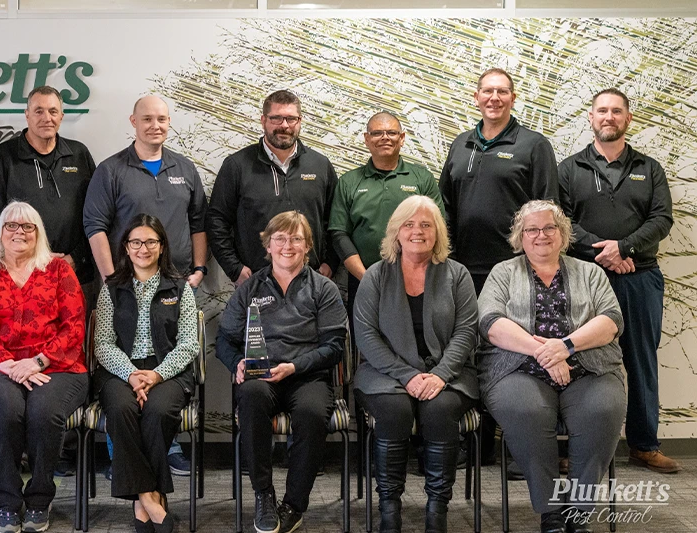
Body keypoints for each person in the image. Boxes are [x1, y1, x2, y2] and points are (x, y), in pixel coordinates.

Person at [478, 200, 626, 533]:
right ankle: (551, 511)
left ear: (563, 233)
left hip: (590, 368)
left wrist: (566, 346)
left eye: (549, 227)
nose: (541, 235)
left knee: (602, 411)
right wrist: (544, 353)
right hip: (517, 369)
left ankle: (580, 511)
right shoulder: (503, 273)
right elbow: (490, 323)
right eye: (532, 229)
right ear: (520, 236)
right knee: (527, 412)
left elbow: (612, 321)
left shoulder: (590, 272)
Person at [438, 68, 558, 469]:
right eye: (487, 91)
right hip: (462, 271)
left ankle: (521, 446)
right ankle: (477, 441)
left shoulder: (533, 145)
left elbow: (547, 210)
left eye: (502, 91)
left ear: (513, 97)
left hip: (515, 271)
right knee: (468, 353)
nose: (494, 97)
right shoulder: (461, 144)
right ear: (476, 97)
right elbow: (445, 207)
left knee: (517, 354)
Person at [558, 88, 678, 474]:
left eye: (616, 111)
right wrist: (603, 252)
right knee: (577, 359)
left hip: (639, 278)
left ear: (628, 118)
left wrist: (623, 248)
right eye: (601, 111)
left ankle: (644, 445)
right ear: (590, 117)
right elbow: (560, 221)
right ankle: (575, 446)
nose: (608, 117)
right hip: (585, 280)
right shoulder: (569, 168)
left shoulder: (650, 168)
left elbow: (662, 219)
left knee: (640, 361)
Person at [216, 211, 348, 533]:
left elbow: (335, 347)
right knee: (250, 397)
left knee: (312, 414)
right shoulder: (250, 288)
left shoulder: (324, 288)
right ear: (268, 246)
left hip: (307, 376)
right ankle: (264, 494)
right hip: (261, 376)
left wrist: (295, 366)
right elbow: (224, 340)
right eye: (280, 239)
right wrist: (237, 363)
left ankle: (294, 504)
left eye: (296, 239)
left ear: (308, 246)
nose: (288, 246)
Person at [353, 195, 477, 533]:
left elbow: (467, 331)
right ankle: (389, 510)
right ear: (396, 231)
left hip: (449, 374)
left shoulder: (457, 274)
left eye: (426, 225)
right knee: (395, 411)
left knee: (439, 410)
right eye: (408, 224)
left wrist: (440, 375)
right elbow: (366, 335)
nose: (417, 231)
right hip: (384, 374)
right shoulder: (376, 276)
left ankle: (437, 511)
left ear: (438, 233)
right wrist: (407, 375)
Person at [0, 201, 88, 533]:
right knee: (5, 410)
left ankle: (39, 499)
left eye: (27, 226)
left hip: (57, 365)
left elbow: (74, 327)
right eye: (11, 225)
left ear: (38, 233)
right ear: (0, 231)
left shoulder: (59, 270)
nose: (19, 232)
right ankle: (7, 503)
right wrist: (12, 366)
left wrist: (37, 362)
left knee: (44, 411)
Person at [94, 213, 198, 533]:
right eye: (136, 242)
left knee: (158, 410)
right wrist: (131, 374)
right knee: (121, 409)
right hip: (119, 370)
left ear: (162, 246)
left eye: (151, 242)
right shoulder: (112, 289)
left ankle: (143, 501)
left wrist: (156, 375)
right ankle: (150, 498)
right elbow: (102, 344)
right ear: (126, 247)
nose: (143, 248)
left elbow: (189, 344)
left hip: (168, 371)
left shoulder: (179, 288)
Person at [207, 90, 338, 286]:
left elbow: (336, 220)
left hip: (312, 280)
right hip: (257, 282)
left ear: (300, 121)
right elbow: (217, 220)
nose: (284, 125)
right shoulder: (237, 165)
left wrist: (331, 263)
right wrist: (234, 268)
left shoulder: (320, 165)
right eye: (276, 118)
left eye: (291, 119)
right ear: (263, 121)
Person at [0, 86, 97, 300]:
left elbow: (96, 215)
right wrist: (30, 257)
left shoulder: (79, 154)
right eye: (38, 111)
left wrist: (76, 257)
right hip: (22, 277)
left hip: (76, 273)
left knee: (76, 324)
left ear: (61, 116)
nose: (47, 118)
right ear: (27, 115)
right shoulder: (3, 156)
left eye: (53, 111)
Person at [84, 95, 209, 288]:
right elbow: (95, 227)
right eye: (147, 119)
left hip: (180, 281)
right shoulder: (110, 170)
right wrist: (111, 281)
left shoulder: (186, 168)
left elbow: (198, 222)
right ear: (134, 121)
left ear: (169, 121)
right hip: (127, 284)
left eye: (161, 119)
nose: (155, 126)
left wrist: (199, 269)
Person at [329, 111, 444, 320]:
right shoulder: (349, 182)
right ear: (366, 139)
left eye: (391, 132)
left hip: (416, 282)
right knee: (365, 336)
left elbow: (437, 227)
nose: (385, 138)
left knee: (414, 334)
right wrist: (366, 277)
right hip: (362, 279)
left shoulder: (422, 179)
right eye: (377, 133)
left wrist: (419, 274)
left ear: (402, 138)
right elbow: (338, 233)